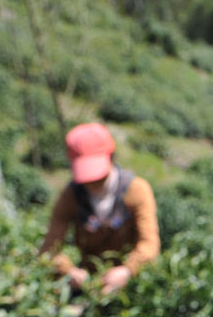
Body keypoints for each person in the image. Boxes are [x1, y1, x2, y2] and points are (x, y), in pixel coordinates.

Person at [39, 122, 160, 295]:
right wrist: (69, 271)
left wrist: (128, 270)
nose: (91, 181)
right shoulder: (70, 196)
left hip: (131, 284)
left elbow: (149, 243)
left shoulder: (137, 190)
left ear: (111, 157)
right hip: (89, 284)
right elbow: (49, 248)